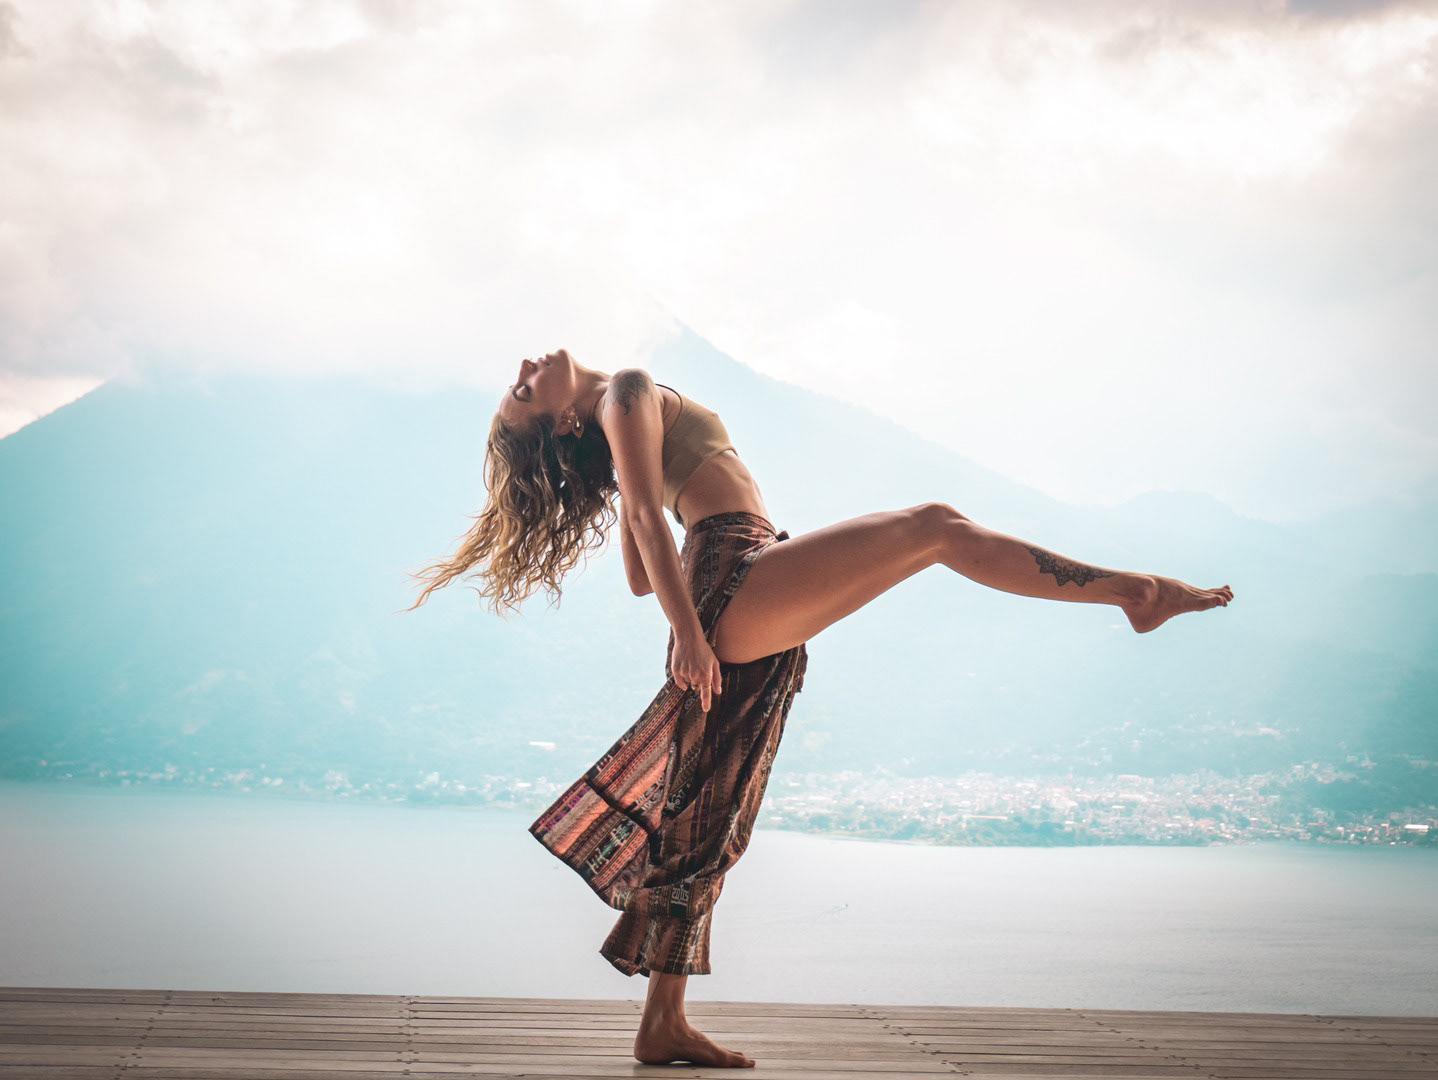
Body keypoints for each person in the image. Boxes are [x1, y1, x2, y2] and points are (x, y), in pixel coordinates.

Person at [413, 348, 1232, 1068]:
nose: (522, 370)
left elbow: (637, 561)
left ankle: (662, 1023)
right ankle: (1135, 591)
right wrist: (689, 630)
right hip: (731, 573)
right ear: (559, 424)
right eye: (521, 393)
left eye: (515, 381)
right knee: (935, 525)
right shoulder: (622, 388)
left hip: (736, 567)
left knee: (714, 804)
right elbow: (644, 530)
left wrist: (647, 516)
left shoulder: (624, 412)